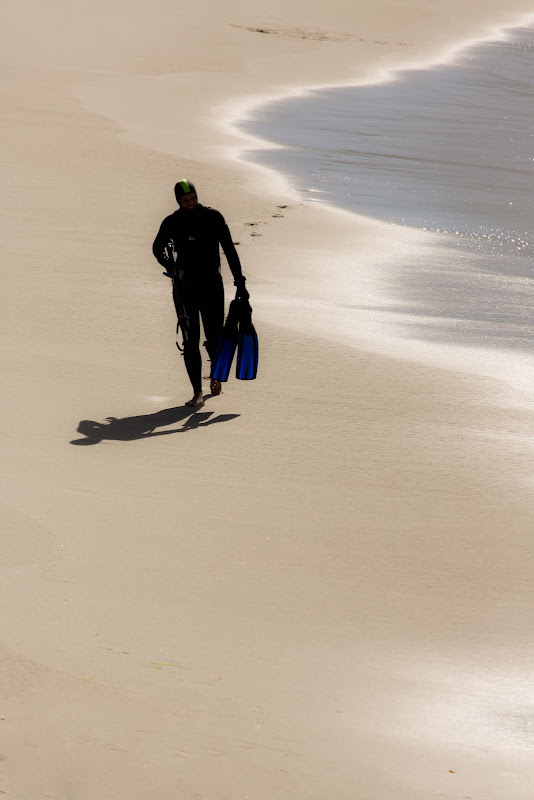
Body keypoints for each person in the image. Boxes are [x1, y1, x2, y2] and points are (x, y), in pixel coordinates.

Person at [152, 179, 249, 407]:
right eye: (185, 200)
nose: (190, 203)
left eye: (193, 198)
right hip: (185, 289)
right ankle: (197, 392)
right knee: (190, 340)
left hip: (212, 286)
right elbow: (157, 248)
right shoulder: (172, 222)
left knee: (214, 337)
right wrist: (170, 266)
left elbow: (230, 251)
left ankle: (216, 374)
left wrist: (240, 281)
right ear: (178, 201)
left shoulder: (213, 218)